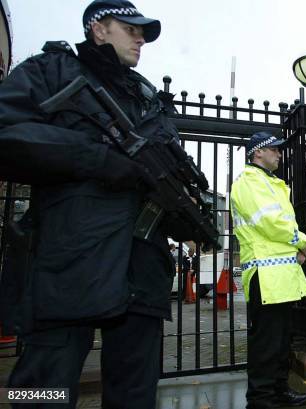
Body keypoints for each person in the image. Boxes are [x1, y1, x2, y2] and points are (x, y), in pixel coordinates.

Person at [0, 1, 183, 407]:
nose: (141, 38)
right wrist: (95, 158)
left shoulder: (148, 99)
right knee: (37, 392)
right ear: (98, 29)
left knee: (135, 394)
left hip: (142, 271)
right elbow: (6, 132)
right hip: (68, 263)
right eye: (131, 28)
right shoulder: (51, 70)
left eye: (144, 33)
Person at [230, 131, 306, 409]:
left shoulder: (271, 183)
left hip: (281, 277)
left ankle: (279, 391)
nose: (280, 153)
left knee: (281, 342)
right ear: (258, 153)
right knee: (266, 344)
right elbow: (271, 223)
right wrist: (301, 241)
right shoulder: (248, 182)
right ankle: (262, 401)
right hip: (265, 278)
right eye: (274, 149)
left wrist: (295, 251)